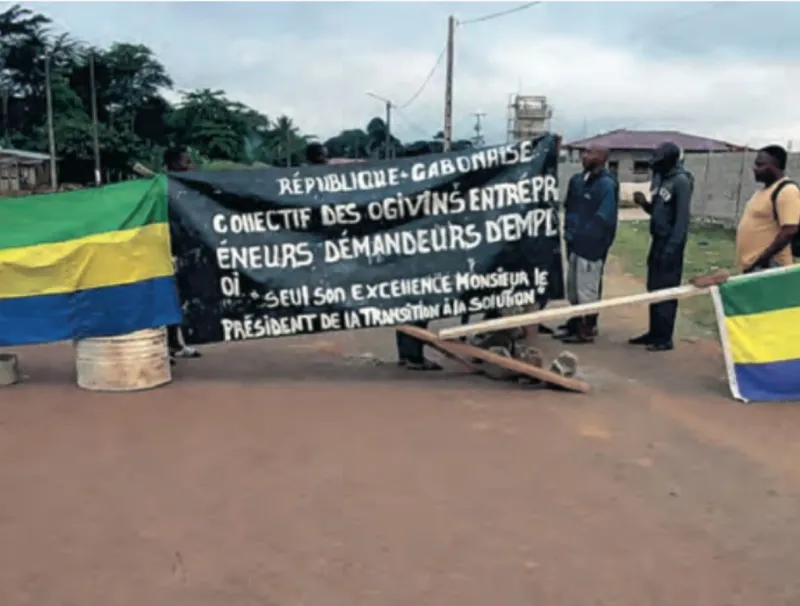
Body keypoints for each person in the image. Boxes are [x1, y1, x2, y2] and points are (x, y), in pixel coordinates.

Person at [629, 142, 694, 352]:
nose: (654, 165)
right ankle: (654, 332)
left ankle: (665, 338)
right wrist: (644, 204)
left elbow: (681, 221)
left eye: (658, 161)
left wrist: (671, 249)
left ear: (670, 161)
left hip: (670, 245)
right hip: (656, 242)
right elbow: (658, 212)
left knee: (666, 290)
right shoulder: (661, 179)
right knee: (654, 289)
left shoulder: (681, 181)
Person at [554, 145, 619, 344]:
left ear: (602, 157)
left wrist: (588, 238)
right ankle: (574, 322)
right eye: (585, 153)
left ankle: (587, 328)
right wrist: (568, 233)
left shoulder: (606, 185)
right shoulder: (578, 181)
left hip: (591, 246)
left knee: (587, 288)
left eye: (590, 153)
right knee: (573, 286)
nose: (585, 156)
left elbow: (604, 218)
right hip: (573, 242)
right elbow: (569, 207)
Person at [163, 146, 202, 363]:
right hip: (165, 252)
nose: (190, 167)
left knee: (179, 300)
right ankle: (163, 347)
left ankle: (176, 344)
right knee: (166, 300)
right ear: (174, 165)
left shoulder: (185, 189)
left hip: (183, 251)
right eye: (186, 162)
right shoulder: (162, 189)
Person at [736, 145, 800, 274]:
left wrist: (762, 260)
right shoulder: (762, 191)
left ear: (775, 166)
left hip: (770, 267)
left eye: (760, 165)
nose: (755, 169)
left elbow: (789, 230)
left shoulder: (787, 191)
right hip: (756, 266)